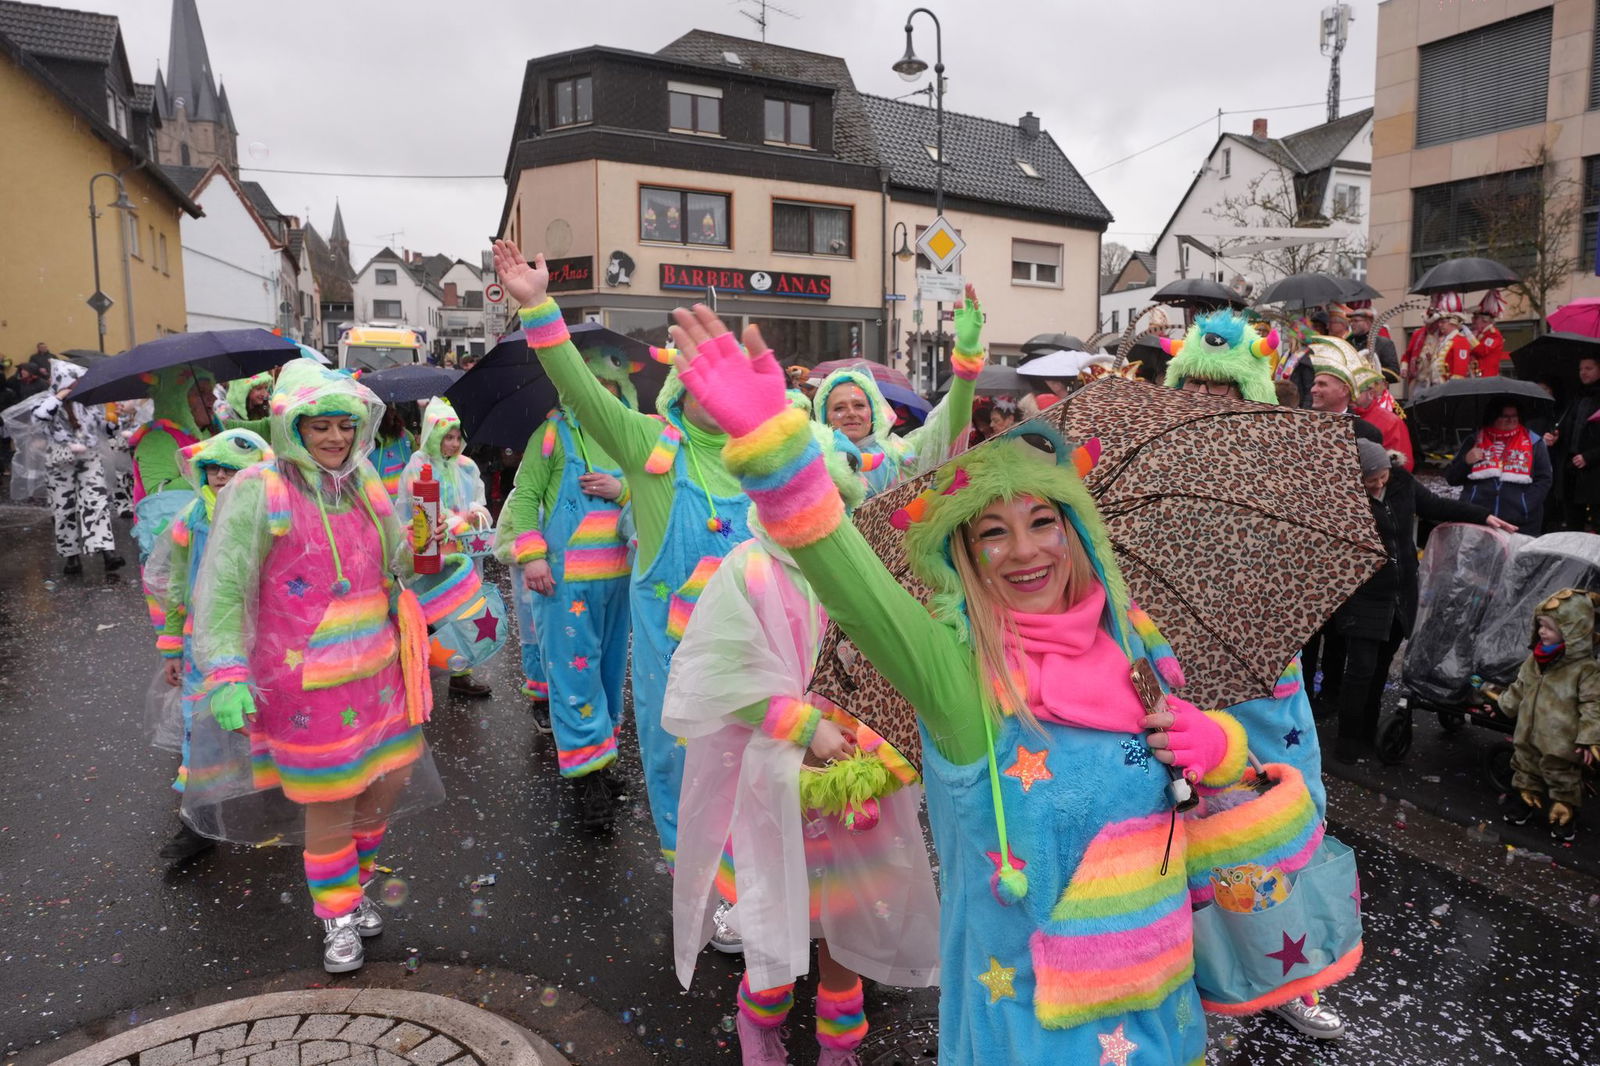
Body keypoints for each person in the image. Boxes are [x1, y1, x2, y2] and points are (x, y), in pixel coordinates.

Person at [666, 302, 1264, 1064]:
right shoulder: (956, 675)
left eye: (1043, 521)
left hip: (1162, 1008)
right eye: (992, 532)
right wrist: (777, 458)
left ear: (1076, 531)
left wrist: (1213, 746)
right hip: (1028, 1027)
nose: (1025, 552)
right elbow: (853, 587)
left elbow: (1210, 804)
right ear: (967, 558)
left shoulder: (1134, 647)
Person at [666, 425, 940, 1066]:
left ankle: (839, 1042)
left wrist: (877, 728)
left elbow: (898, 656)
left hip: (855, 781)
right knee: (775, 911)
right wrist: (802, 724)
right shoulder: (747, 569)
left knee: (846, 923)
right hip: (772, 782)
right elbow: (715, 674)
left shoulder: (864, 570)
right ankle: (761, 1022)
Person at [491, 238, 751, 894]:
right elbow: (575, 385)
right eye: (697, 381)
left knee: (758, 768)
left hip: (752, 646)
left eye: (724, 381)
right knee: (681, 767)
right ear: (677, 388)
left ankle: (756, 881)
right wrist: (539, 306)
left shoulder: (764, 456)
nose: (710, 395)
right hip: (673, 650)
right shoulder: (644, 442)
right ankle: (706, 888)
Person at [189, 360, 436, 973]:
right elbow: (223, 587)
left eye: (344, 427)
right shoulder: (260, 490)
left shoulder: (362, 481)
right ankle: (337, 912)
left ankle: (353, 880)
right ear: (290, 426)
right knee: (332, 797)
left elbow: (399, 555)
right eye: (319, 426)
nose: (333, 439)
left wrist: (440, 532)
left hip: (380, 671)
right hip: (304, 683)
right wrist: (224, 668)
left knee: (389, 782)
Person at [1163, 310, 1345, 1037]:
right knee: (1186, 834)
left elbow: (1312, 572)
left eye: (1224, 390)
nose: (1209, 404)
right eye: (1196, 389)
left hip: (1265, 686)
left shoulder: (1284, 470)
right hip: (1177, 683)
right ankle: (1202, 983)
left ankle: (1288, 976)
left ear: (1251, 395)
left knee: (1271, 822)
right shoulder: (1152, 471)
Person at [498, 347, 634, 828]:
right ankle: (585, 779)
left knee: (609, 676)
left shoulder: (627, 435)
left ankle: (603, 759)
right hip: (566, 584)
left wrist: (624, 492)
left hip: (620, 580)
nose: (602, 395)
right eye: (593, 386)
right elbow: (525, 498)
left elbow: (659, 491)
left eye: (611, 389)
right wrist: (532, 555)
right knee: (574, 679)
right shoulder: (551, 434)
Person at [1335, 440, 1514, 763]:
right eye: (1370, 479)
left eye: (1382, 476)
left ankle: (1368, 729)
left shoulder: (1402, 482)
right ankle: (1347, 738)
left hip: (1401, 593)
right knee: (1360, 669)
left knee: (1379, 669)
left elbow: (1435, 506)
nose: (1378, 483)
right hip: (1364, 595)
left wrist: (1485, 516)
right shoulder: (1342, 498)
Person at [148, 429, 273, 862]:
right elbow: (174, 582)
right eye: (213, 468)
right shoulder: (191, 520)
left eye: (231, 469)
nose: (220, 476)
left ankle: (289, 789)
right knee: (200, 730)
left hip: (266, 640)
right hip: (204, 644)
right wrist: (171, 644)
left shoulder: (274, 515)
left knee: (269, 717)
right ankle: (197, 822)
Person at [812, 289, 985, 497]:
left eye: (859, 405)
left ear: (873, 412)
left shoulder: (899, 454)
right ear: (823, 417)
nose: (851, 412)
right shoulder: (811, 467)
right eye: (839, 407)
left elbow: (948, 427)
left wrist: (967, 362)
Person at [396, 397, 495, 697]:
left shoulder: (467, 467)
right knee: (428, 613)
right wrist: (454, 522)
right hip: (429, 553)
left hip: (464, 555)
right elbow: (421, 509)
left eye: (457, 437)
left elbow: (480, 501)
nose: (453, 444)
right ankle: (415, 677)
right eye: (447, 437)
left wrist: (477, 515)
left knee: (463, 612)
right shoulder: (418, 467)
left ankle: (460, 673)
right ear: (432, 435)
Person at [1496, 590, 1600, 843]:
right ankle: (1523, 802)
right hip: (1528, 733)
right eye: (1541, 625)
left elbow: (1593, 704)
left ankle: (1565, 812)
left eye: (1550, 628)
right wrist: (1504, 705)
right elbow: (1521, 685)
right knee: (1525, 767)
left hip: (1561, 741)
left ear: (1573, 632)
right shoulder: (1536, 659)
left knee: (1562, 775)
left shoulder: (1585, 669)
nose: (1543, 632)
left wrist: (1589, 737)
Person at [32, 359, 124, 575]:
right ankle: (71, 557)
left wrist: (113, 422)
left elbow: (104, 430)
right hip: (60, 463)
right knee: (64, 509)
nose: (78, 387)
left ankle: (107, 553)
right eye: (74, 383)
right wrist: (62, 395)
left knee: (96, 503)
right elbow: (39, 418)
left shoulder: (87, 405)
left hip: (89, 459)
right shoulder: (49, 402)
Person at [1444, 399, 1553, 535]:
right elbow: (1452, 478)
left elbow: (1544, 479)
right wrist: (1466, 461)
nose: (1511, 420)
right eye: (1505, 416)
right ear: (1493, 417)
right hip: (1478, 520)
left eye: (1514, 416)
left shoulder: (1534, 442)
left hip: (1520, 523)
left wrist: (1524, 504)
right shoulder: (1474, 440)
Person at [1547, 356, 1600, 532]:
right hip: (1571, 468)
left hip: (1594, 470)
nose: (1583, 372)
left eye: (1589, 368)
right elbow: (1567, 425)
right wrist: (1556, 436)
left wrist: (1589, 456)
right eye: (1580, 369)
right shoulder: (1576, 396)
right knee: (1573, 522)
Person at [1403, 292, 1473, 388]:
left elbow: (1459, 373)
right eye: (1439, 322)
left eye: (1443, 322)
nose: (1439, 325)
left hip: (1447, 389)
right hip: (1433, 386)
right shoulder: (1444, 340)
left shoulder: (1460, 341)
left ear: (1453, 322)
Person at [367, 404, 415, 500]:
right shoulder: (405, 435)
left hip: (381, 500)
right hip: (404, 498)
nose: (392, 414)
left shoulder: (365, 438)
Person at [1347, 305, 1398, 377]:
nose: (1352, 324)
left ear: (1368, 322)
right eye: (1350, 321)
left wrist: (1372, 368)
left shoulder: (1384, 343)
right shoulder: (1348, 343)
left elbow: (1394, 373)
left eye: (1356, 321)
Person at [1466, 291, 1508, 377]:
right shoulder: (1479, 334)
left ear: (1485, 320)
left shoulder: (1494, 335)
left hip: (1486, 377)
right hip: (1474, 375)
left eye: (1476, 318)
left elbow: (1481, 351)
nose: (1472, 321)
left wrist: (1469, 337)